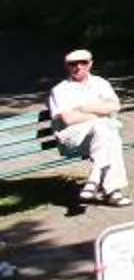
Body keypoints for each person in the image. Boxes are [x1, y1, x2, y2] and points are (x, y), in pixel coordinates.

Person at [48, 50, 128, 206]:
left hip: (100, 137)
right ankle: (111, 190)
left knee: (108, 136)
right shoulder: (60, 90)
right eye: (73, 64)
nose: (78, 67)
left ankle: (95, 181)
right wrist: (98, 112)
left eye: (83, 63)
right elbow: (69, 119)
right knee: (106, 129)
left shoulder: (100, 83)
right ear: (67, 67)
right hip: (73, 138)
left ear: (90, 63)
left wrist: (84, 108)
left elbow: (114, 106)